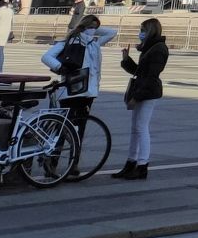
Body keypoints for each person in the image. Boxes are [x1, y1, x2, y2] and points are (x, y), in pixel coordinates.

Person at [41, 14, 118, 142]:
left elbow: (112, 32)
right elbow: (46, 57)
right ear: (84, 26)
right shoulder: (72, 42)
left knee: (73, 124)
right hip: (78, 89)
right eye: (91, 27)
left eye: (95, 28)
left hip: (83, 90)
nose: (93, 30)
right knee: (71, 125)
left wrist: (91, 28)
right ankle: (63, 151)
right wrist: (60, 68)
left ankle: (68, 151)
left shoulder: (92, 43)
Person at [114, 17, 168, 179]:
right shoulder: (149, 47)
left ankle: (142, 164)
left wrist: (136, 97)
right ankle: (131, 162)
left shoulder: (158, 49)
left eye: (143, 30)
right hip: (143, 89)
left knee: (141, 128)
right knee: (136, 128)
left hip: (148, 92)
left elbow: (151, 77)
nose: (140, 33)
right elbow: (140, 72)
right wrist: (127, 60)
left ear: (150, 31)